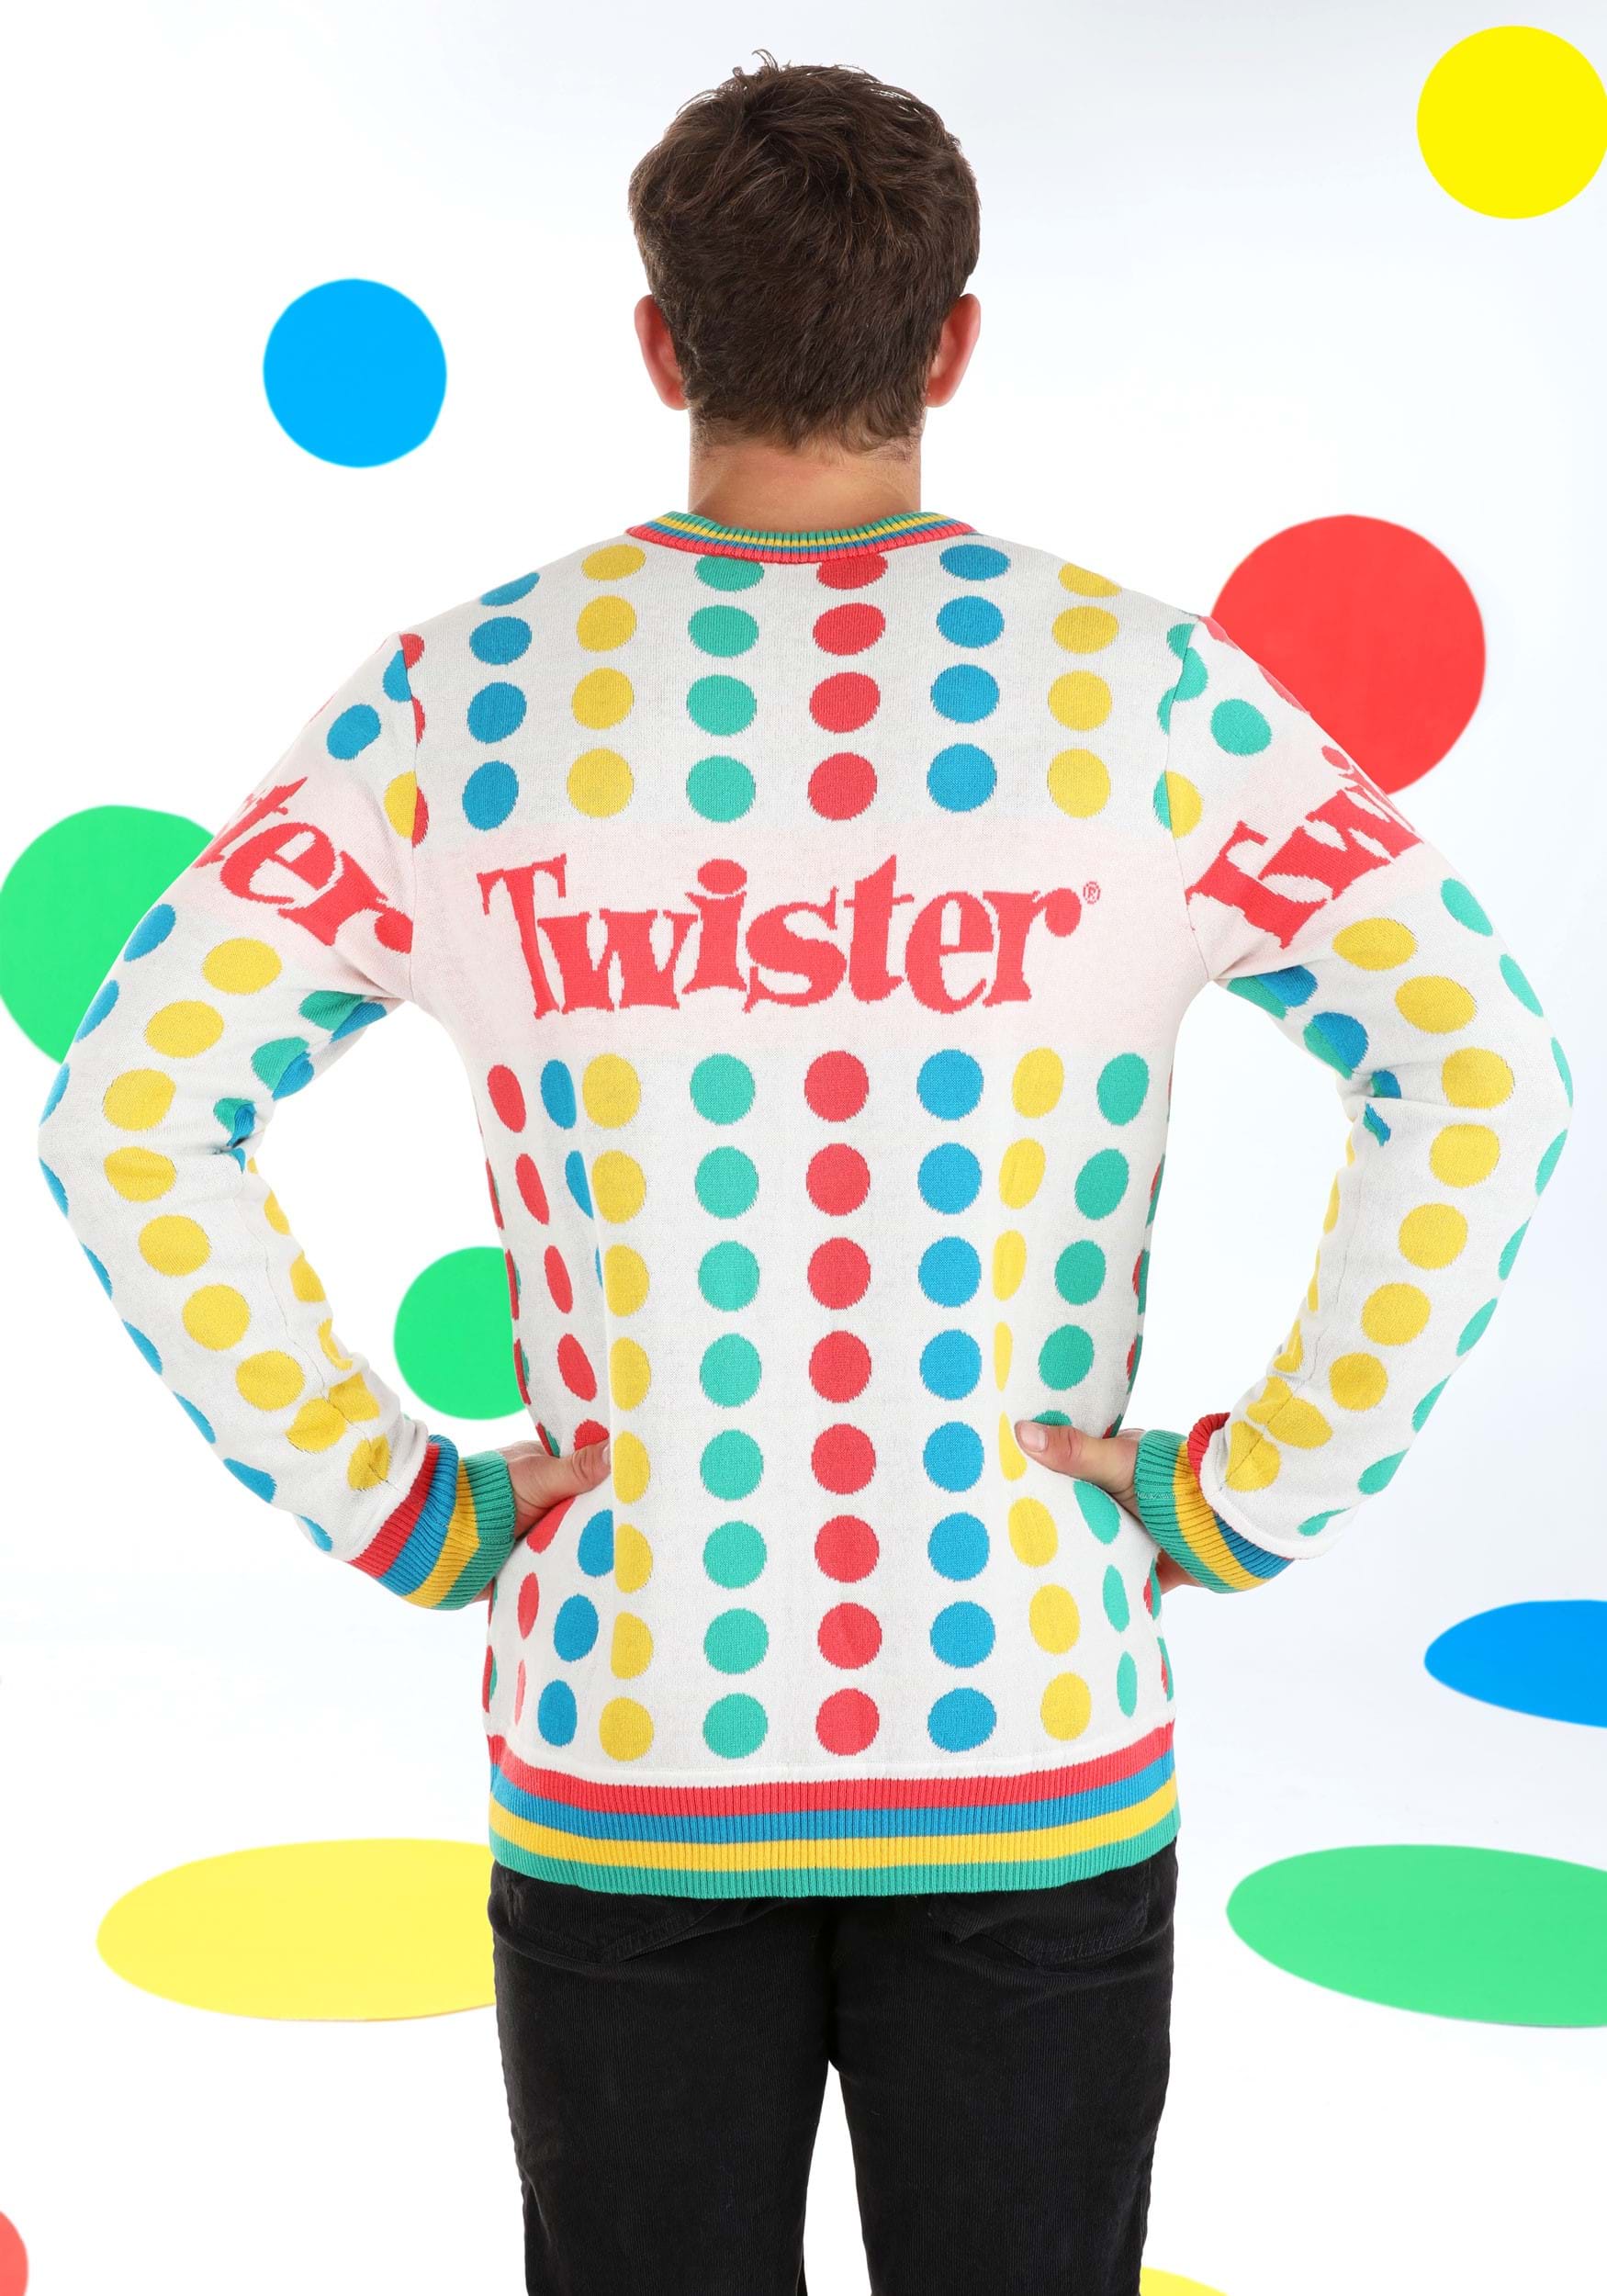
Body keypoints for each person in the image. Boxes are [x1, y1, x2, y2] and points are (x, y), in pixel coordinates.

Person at [38, 51, 1571, 2296]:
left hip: (627, 1725)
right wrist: (1253, 1487)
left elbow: (129, 1106)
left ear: (659, 343)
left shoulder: (459, 703)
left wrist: (398, 1499)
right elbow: (1479, 1067)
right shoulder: (1150, 696)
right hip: (1034, 1716)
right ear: (949, 343)